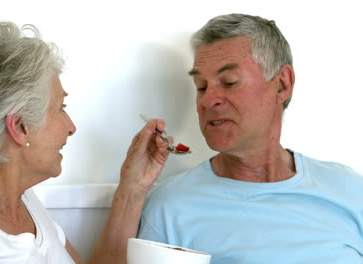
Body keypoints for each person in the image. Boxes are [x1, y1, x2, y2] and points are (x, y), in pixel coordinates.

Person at [0, 21, 170, 264]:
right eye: (61, 107)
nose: (71, 127)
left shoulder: (26, 204)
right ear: (19, 127)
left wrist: (133, 186)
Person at [138, 13, 363, 263]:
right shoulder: (171, 206)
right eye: (201, 86)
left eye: (229, 82)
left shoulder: (351, 190)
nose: (208, 100)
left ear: (282, 84)